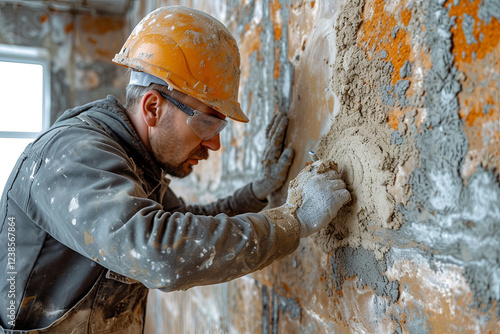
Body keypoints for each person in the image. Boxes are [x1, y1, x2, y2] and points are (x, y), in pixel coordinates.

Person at [0, 6, 350, 333]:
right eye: (206, 125)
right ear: (153, 107)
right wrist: (294, 221)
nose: (214, 145)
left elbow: (187, 220)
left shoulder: (130, 162)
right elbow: (161, 251)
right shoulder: (72, 155)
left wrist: (257, 192)